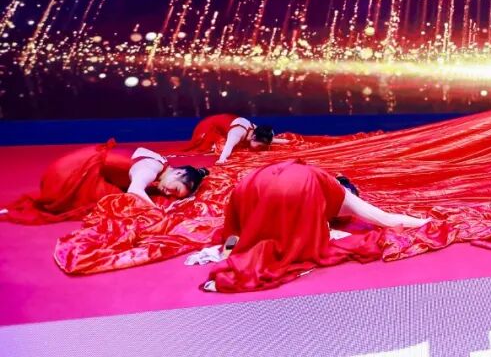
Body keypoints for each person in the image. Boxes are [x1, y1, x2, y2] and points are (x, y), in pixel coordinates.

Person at [203, 161, 429, 292]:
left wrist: (229, 251)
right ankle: (234, 265)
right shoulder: (340, 194)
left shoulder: (319, 179)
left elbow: (234, 227)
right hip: (289, 188)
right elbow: (385, 219)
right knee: (288, 243)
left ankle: (230, 254)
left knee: (246, 229)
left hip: (249, 184)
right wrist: (424, 223)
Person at [0, 141, 209, 223]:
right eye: (175, 190)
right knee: (104, 204)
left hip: (90, 166)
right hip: (74, 172)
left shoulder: (163, 165)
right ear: (178, 174)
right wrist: (159, 213)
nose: (168, 194)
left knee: (113, 200)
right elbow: (135, 190)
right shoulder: (150, 169)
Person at [186, 113, 282, 163]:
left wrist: (285, 141)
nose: (260, 149)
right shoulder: (238, 132)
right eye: (260, 146)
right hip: (208, 126)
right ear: (253, 137)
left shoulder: (258, 132)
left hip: (227, 121)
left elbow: (270, 139)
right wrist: (222, 159)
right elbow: (228, 147)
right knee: (220, 147)